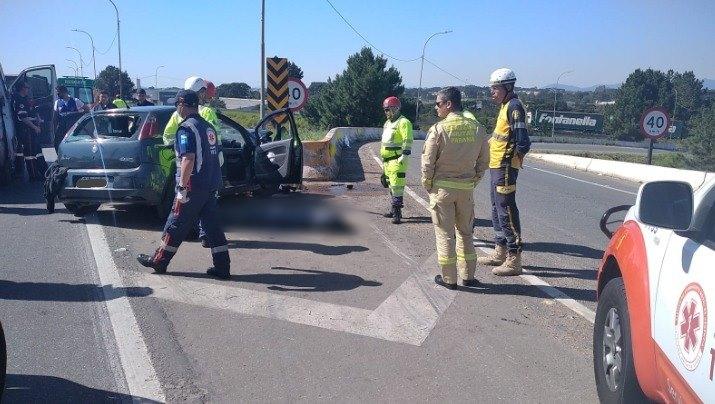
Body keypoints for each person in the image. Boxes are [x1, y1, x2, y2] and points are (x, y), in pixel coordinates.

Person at [137, 90, 231, 279]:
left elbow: (188, 158)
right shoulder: (208, 127)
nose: (177, 109)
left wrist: (181, 186)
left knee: (176, 222)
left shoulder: (186, 128)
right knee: (212, 226)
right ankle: (223, 266)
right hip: (211, 184)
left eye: (177, 105)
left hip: (192, 186)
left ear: (182, 104)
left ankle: (159, 260)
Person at [422, 87, 489, 289]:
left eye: (438, 104)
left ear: (449, 104)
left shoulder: (438, 129)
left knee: (445, 235)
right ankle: (468, 276)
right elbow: (484, 161)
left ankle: (449, 279)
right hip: (466, 191)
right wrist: (473, 181)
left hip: (442, 191)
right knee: (466, 234)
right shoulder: (477, 128)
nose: (436, 108)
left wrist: (428, 185)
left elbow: (427, 163)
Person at [476, 68, 531, 276]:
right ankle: (500, 250)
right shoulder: (505, 105)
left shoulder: (514, 106)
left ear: (508, 87)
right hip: (496, 164)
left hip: (505, 167)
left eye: (495, 88)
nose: (492, 91)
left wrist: (512, 158)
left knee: (506, 209)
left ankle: (514, 258)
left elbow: (523, 141)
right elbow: (499, 137)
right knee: (495, 208)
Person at [379, 96, 413, 224]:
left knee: (397, 186)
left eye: (388, 109)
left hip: (397, 159)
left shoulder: (404, 122)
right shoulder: (388, 123)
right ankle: (394, 209)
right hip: (387, 161)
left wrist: (405, 154)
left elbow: (407, 139)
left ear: (396, 109)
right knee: (390, 185)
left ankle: (397, 213)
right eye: (385, 110)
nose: (386, 112)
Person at [12, 81, 47, 181]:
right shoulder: (19, 100)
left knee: (37, 152)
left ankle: (41, 171)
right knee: (30, 154)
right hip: (26, 130)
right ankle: (33, 175)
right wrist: (35, 127)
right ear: (22, 88)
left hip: (31, 128)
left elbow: (33, 112)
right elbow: (23, 118)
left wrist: (38, 120)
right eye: (27, 87)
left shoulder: (26, 99)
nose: (28, 89)